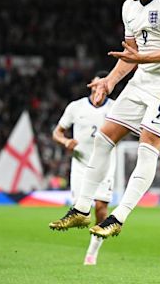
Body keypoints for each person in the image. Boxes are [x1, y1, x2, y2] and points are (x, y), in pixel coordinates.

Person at [49, 0, 160, 239]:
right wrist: (109, 82)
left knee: (147, 145)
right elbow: (131, 54)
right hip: (141, 80)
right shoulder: (128, 8)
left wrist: (142, 60)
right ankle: (80, 209)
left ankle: (119, 216)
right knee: (103, 136)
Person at [50, 71, 116, 265]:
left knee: (102, 210)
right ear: (91, 85)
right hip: (81, 165)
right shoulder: (76, 107)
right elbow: (57, 132)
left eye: (103, 86)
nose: (98, 89)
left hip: (105, 164)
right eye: (96, 85)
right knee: (81, 208)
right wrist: (65, 141)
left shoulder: (115, 108)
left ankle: (92, 252)